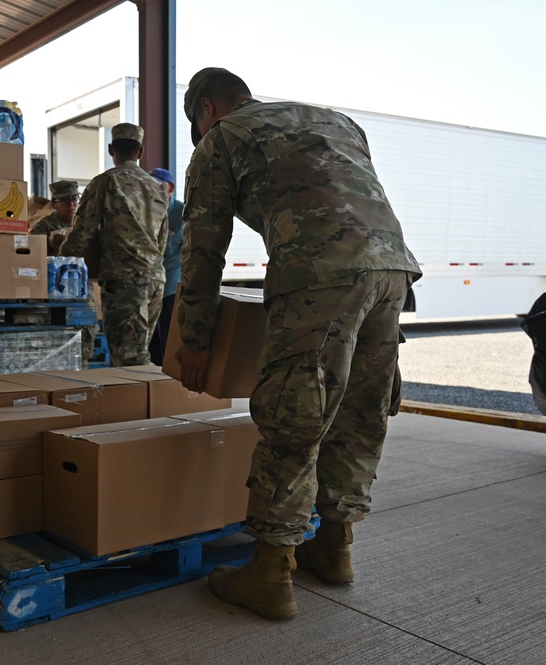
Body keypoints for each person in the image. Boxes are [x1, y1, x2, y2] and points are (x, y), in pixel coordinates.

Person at [174, 68, 422, 620]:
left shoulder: (223, 138)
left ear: (207, 109)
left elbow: (203, 246)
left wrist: (194, 337)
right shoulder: (336, 120)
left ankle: (269, 573)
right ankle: (334, 548)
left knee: (295, 417)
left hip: (321, 274)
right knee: (361, 414)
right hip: (392, 271)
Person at [60, 123, 169, 367]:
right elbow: (162, 238)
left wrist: (60, 260)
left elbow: (82, 232)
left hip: (125, 282)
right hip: (155, 280)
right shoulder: (157, 188)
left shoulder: (106, 183)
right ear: (140, 152)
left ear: (111, 150)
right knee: (137, 354)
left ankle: (139, 404)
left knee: (129, 358)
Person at [146, 168, 184, 366]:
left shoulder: (180, 213)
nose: (154, 192)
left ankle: (169, 375)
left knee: (169, 332)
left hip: (170, 283)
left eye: (159, 186)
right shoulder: (147, 213)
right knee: (152, 337)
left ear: (171, 189)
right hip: (150, 284)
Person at [30, 180, 79, 255]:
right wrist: (48, 242)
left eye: (74, 199)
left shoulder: (85, 223)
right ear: (53, 204)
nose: (71, 204)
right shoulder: (45, 225)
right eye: (64, 200)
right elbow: (31, 246)